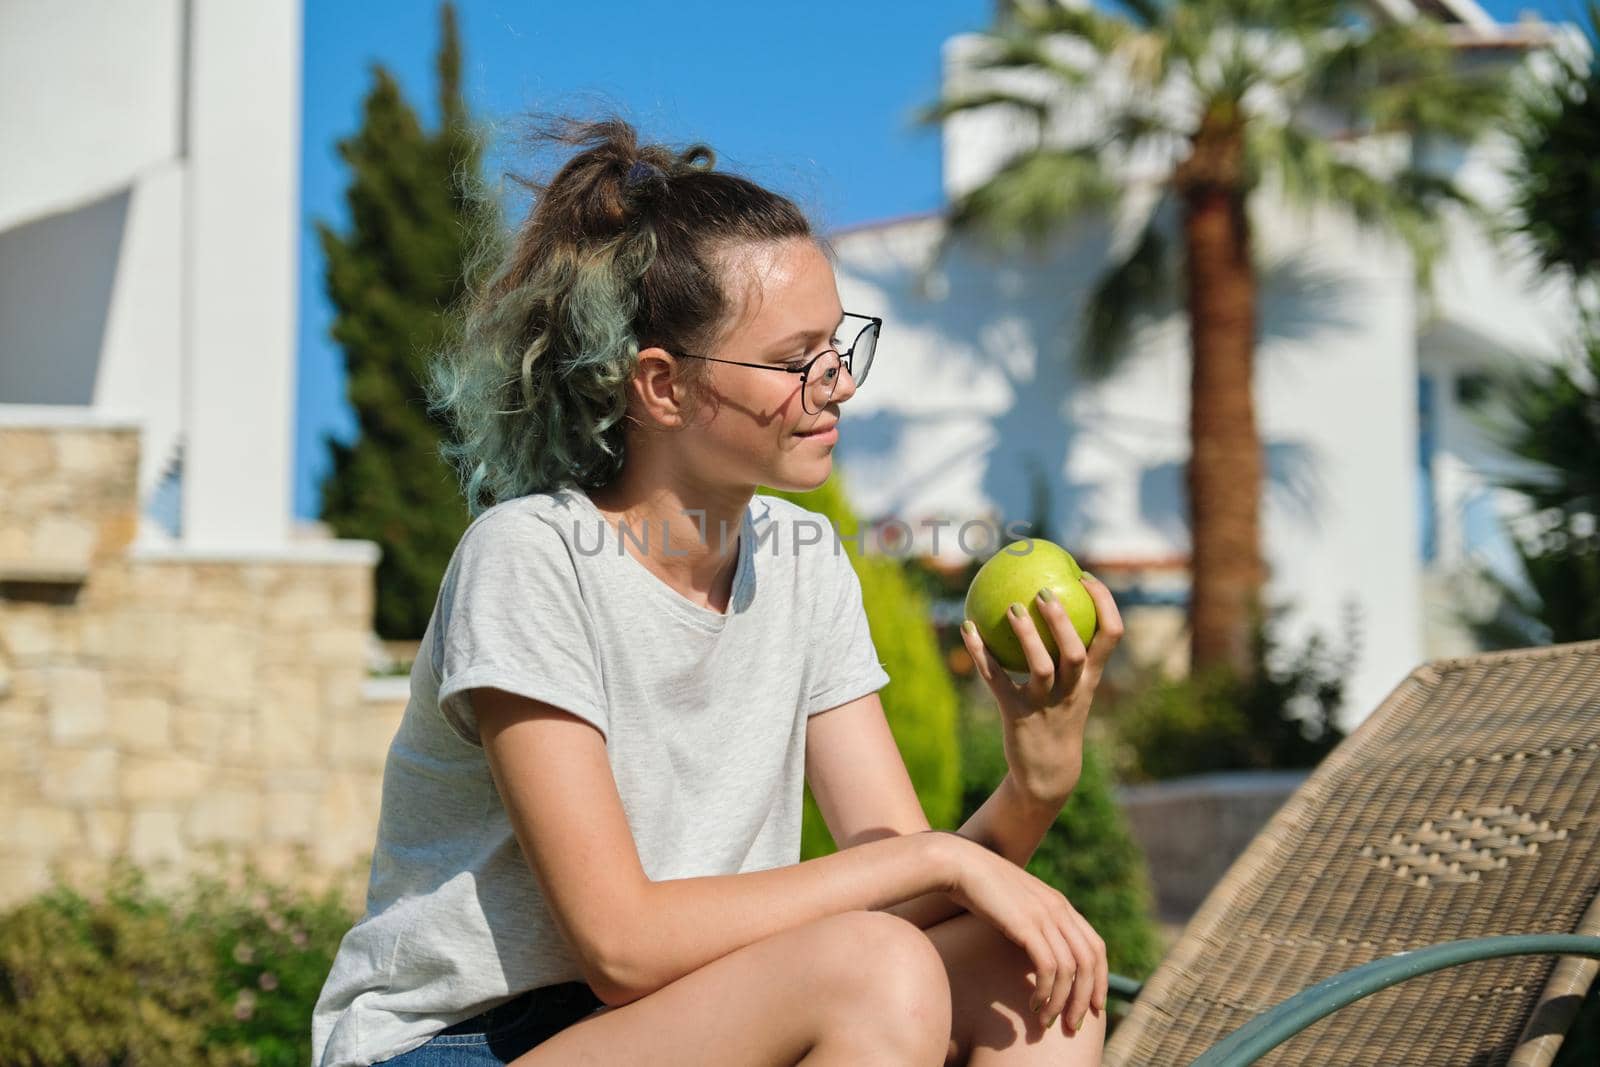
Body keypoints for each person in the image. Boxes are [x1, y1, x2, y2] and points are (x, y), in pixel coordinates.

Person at [310, 116, 1125, 1067]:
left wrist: (1037, 783)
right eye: (793, 359)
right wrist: (937, 856)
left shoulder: (803, 560)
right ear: (661, 386)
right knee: (875, 967)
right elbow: (621, 945)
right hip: (464, 1044)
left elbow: (905, 886)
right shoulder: (531, 559)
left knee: (1034, 976)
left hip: (691, 1014)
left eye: (838, 345)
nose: (837, 385)